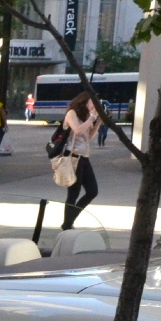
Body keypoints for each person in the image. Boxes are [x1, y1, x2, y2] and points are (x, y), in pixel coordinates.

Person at [59, 91, 101, 231]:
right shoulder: (72, 113)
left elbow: (88, 136)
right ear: (84, 102)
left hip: (84, 156)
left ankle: (69, 220)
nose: (93, 106)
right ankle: (67, 224)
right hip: (73, 155)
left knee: (92, 191)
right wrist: (91, 119)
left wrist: (99, 121)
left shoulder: (87, 116)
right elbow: (77, 131)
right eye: (92, 103)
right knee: (74, 192)